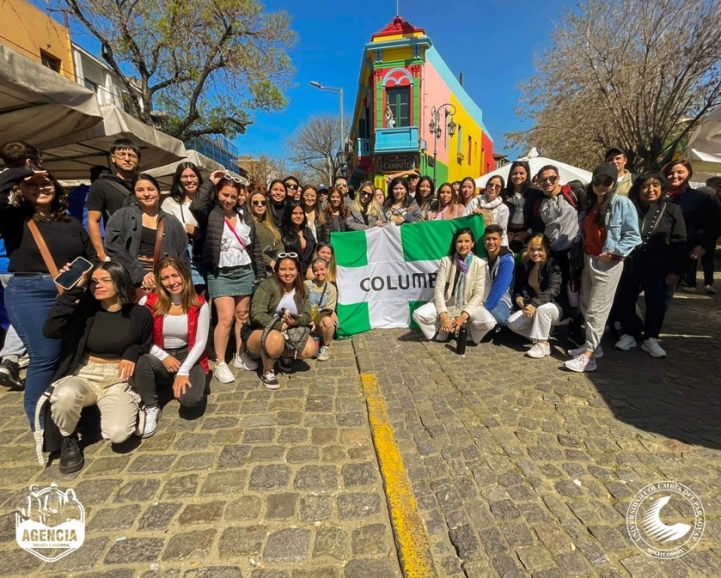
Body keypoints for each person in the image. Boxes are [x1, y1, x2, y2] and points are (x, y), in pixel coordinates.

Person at [0, 166, 97, 424]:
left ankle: (66, 412)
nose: (41, 189)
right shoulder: (14, 219)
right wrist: (24, 172)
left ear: (56, 189)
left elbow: (91, 257)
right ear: (20, 189)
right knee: (44, 357)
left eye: (46, 184)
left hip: (68, 292)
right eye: (32, 185)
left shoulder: (71, 223)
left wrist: (79, 271)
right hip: (30, 292)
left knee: (68, 353)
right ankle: (40, 425)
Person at [39, 261, 153, 473]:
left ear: (120, 282)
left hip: (118, 378)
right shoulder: (84, 311)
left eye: (105, 280)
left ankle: (124, 409)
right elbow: (51, 331)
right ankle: (69, 438)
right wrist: (72, 290)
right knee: (64, 395)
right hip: (85, 373)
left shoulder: (139, 314)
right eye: (93, 281)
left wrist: (131, 352)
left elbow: (144, 344)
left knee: (118, 435)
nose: (97, 285)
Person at [190, 170, 267, 383]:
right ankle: (221, 362)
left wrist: (260, 272)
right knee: (225, 318)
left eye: (233, 196)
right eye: (225, 194)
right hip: (220, 272)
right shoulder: (211, 213)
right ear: (218, 193)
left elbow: (255, 246)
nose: (229, 199)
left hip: (244, 270)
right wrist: (210, 181)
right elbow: (195, 206)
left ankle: (241, 355)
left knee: (242, 315)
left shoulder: (244, 214)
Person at [564, 163, 641, 373]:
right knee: (587, 305)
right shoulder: (590, 204)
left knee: (598, 309)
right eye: (597, 181)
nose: (601, 185)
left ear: (613, 183)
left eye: (607, 181)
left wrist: (613, 254)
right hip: (588, 259)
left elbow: (634, 235)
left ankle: (589, 356)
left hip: (608, 262)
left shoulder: (621, 204)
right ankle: (592, 347)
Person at [134, 257, 210, 437]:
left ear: (184, 275)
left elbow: (201, 341)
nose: (171, 282)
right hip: (159, 353)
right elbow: (141, 339)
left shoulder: (200, 304)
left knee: (191, 401)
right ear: (159, 282)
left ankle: (174, 380)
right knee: (144, 361)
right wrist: (164, 356)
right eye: (165, 278)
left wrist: (184, 370)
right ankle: (151, 406)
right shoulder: (148, 303)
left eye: (175, 275)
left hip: (188, 354)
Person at [614, 172, 686, 358]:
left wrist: (675, 270)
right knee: (626, 299)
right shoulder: (628, 207)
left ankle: (651, 338)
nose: (650, 190)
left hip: (659, 265)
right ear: (638, 189)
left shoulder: (671, 209)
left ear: (662, 188)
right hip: (631, 264)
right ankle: (629, 334)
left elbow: (679, 241)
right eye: (645, 186)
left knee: (656, 302)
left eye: (655, 185)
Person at [242, 253, 316, 389]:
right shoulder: (268, 285)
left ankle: (279, 356)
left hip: (289, 330)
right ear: (277, 270)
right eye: (283, 269)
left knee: (310, 349)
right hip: (259, 330)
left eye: (291, 269)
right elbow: (257, 313)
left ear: (298, 270)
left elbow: (307, 315)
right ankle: (268, 370)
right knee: (275, 339)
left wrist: (296, 322)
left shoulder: (303, 288)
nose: (287, 273)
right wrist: (279, 325)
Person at [105, 173, 189, 290]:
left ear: (158, 192)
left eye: (151, 189)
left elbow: (183, 255)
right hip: (130, 280)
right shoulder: (121, 216)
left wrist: (181, 281)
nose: (146, 194)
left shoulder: (172, 222)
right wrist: (140, 274)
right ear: (134, 194)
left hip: (166, 282)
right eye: (140, 190)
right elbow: (113, 247)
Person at [412, 228, 493, 343]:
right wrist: (444, 317)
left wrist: (463, 317)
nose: (463, 245)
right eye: (459, 241)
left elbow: (478, 294)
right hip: (448, 302)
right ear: (455, 244)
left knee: (488, 322)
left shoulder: (479, 264)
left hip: (467, 303)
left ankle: (467, 332)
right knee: (418, 314)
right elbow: (439, 290)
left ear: (472, 244)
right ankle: (443, 328)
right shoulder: (446, 261)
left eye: (467, 241)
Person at [663, 160, 721, 294]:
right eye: (671, 173)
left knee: (662, 298)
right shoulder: (657, 196)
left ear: (689, 174)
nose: (675, 176)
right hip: (655, 253)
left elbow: (715, 224)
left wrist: (703, 245)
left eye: (680, 172)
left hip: (682, 254)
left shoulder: (700, 199)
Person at [507, 234, 568, 358]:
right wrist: (518, 297)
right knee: (512, 323)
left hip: (556, 308)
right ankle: (543, 334)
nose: (535, 253)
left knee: (542, 308)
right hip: (533, 306)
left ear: (546, 250)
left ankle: (543, 344)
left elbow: (553, 290)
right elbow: (521, 286)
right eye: (532, 249)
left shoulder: (553, 264)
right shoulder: (529, 265)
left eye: (539, 249)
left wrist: (533, 304)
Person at [85, 138, 141, 261]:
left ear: (138, 160)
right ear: (113, 158)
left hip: (144, 248)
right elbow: (93, 221)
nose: (127, 159)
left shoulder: (145, 184)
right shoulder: (102, 185)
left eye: (132, 155)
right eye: (122, 154)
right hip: (118, 249)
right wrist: (101, 254)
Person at [161, 162, 206, 292]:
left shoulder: (208, 202)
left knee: (205, 297)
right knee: (187, 294)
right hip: (183, 253)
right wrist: (184, 228)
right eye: (184, 176)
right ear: (178, 180)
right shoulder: (170, 203)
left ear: (198, 178)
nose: (189, 180)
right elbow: (166, 230)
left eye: (193, 176)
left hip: (205, 253)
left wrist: (196, 232)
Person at [479, 225, 515, 330]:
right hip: (483, 295)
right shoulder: (483, 256)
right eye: (487, 239)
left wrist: (485, 310)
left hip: (501, 299)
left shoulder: (507, 260)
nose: (491, 242)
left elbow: (499, 289)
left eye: (494, 239)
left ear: (501, 240)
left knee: (498, 316)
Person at [503, 160, 543, 252]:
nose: (518, 176)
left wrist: (528, 233)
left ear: (527, 175)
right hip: (507, 233)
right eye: (514, 173)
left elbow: (539, 218)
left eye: (521, 173)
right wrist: (505, 233)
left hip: (527, 233)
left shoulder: (535, 193)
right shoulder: (504, 194)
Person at [305, 257, 338, 361]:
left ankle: (326, 346)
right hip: (307, 321)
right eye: (316, 270)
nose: (319, 273)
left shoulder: (332, 289)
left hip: (320, 321)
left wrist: (315, 322)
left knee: (328, 321)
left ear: (327, 270)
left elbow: (329, 310)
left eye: (322, 269)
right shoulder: (306, 285)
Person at [464, 175, 510, 242]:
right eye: (490, 184)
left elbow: (502, 231)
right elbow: (463, 220)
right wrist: (472, 216)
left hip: (492, 242)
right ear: (486, 186)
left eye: (497, 186)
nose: (493, 188)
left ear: (501, 189)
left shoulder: (503, 208)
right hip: (473, 240)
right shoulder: (475, 201)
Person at [248, 191, 284, 273]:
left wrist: (278, 259)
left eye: (263, 203)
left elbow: (279, 243)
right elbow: (252, 248)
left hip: (274, 266)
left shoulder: (269, 224)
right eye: (255, 203)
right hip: (258, 268)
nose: (260, 205)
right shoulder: (249, 224)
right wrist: (270, 262)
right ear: (250, 206)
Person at [282, 202, 317, 275]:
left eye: (301, 213)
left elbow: (314, 251)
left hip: (308, 274)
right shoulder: (281, 233)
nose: (298, 216)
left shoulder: (308, 231)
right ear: (288, 214)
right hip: (290, 274)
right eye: (294, 213)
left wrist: (311, 267)